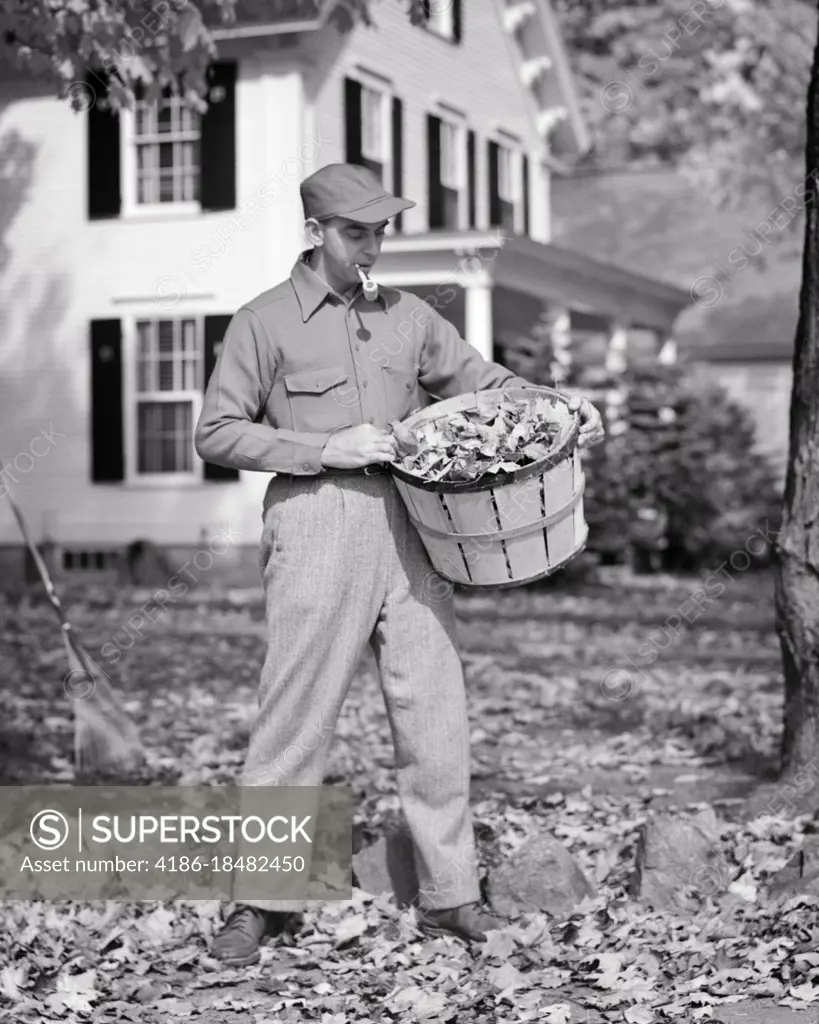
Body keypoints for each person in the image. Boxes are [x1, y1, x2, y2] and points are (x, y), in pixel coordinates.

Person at [194, 162, 605, 967]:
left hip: (418, 524)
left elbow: (483, 383)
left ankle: (450, 896)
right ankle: (258, 905)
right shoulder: (263, 321)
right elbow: (216, 431)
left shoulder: (411, 317)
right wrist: (320, 448)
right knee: (294, 714)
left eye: (381, 230)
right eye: (357, 233)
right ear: (316, 233)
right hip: (316, 521)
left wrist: (559, 406)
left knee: (434, 712)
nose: (372, 246)